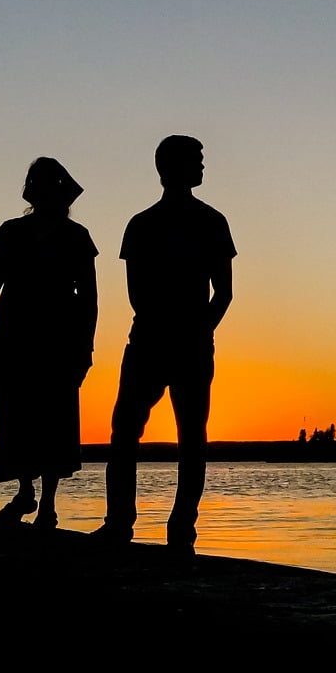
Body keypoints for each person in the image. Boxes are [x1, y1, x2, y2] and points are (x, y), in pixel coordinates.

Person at [91, 135, 234, 553]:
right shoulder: (142, 224)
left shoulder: (212, 221)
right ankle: (120, 523)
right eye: (197, 160)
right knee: (126, 430)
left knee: (190, 435)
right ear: (171, 167)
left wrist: (201, 330)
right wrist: (188, 329)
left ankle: (180, 529)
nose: (203, 167)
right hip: (151, 341)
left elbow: (223, 292)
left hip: (183, 341)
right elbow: (138, 293)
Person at [0, 158, 98, 530]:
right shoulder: (11, 232)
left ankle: (47, 504)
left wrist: (85, 348)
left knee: (55, 421)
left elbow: (89, 300)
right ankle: (26, 489)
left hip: (58, 341)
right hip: (12, 336)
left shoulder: (77, 238)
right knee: (16, 416)